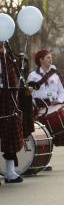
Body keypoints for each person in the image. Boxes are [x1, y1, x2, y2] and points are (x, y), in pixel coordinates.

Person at [0, 42, 25, 184]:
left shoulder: (9, 57)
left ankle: (10, 172)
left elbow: (16, 77)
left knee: (9, 135)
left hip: (8, 100)